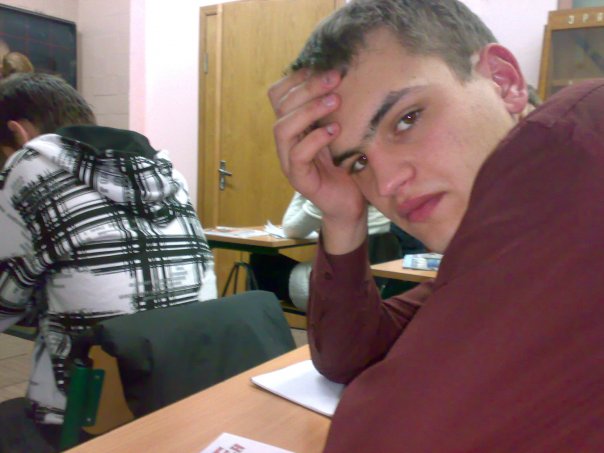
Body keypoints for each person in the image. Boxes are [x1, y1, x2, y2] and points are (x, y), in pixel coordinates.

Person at [268, 0, 604, 451]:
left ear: (503, 81)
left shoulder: (577, 134)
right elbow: (348, 357)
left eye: (407, 118)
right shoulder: (489, 254)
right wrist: (342, 215)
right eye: (359, 161)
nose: (386, 183)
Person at [0, 73, 217, 444]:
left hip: (89, 415)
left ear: (17, 133)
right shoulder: (166, 173)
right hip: (185, 391)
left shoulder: (27, 167)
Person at [251, 191, 390, 311]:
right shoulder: (386, 200)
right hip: (376, 291)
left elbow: (291, 229)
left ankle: (259, 322)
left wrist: (301, 188)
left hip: (327, 293)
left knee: (261, 260)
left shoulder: (328, 194)